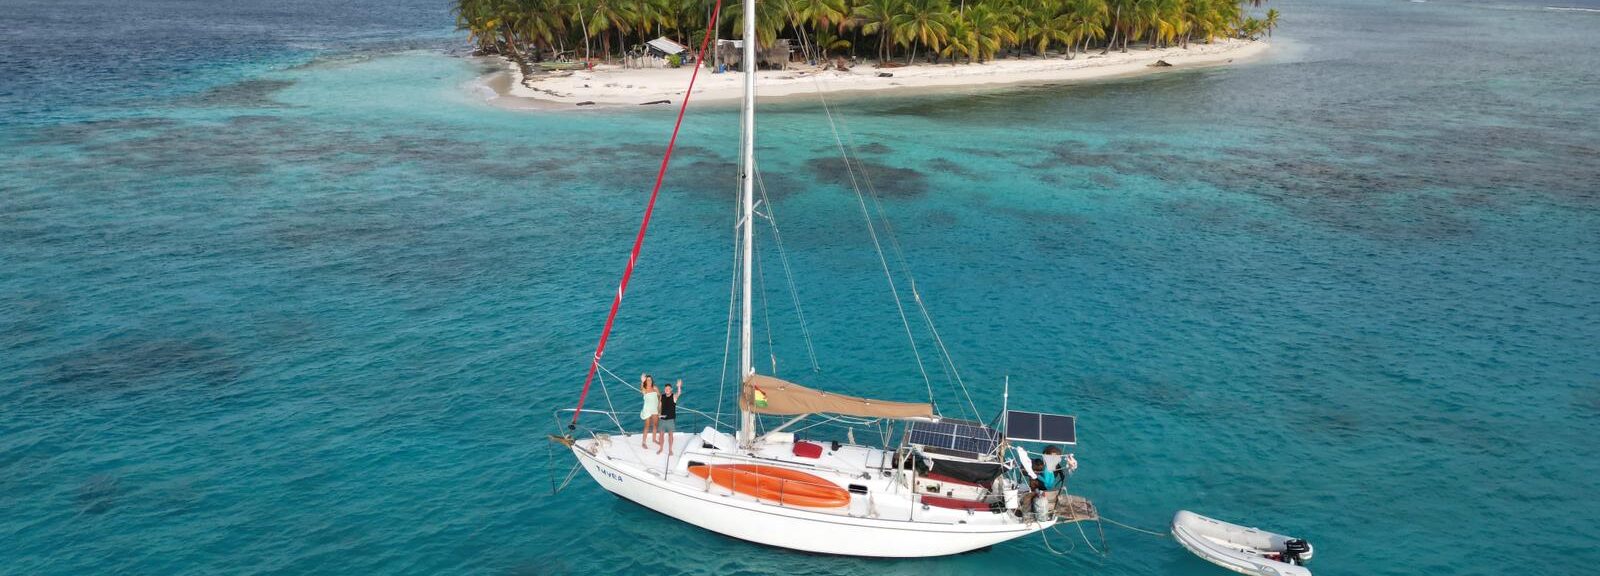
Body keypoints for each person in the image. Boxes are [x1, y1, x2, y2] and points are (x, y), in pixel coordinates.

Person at [657, 379, 682, 454]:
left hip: (671, 419)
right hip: (662, 419)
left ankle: (670, 449)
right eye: (666, 388)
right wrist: (659, 414)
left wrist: (679, 386)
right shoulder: (662, 396)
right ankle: (661, 448)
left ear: (671, 389)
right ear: (664, 389)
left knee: (670, 435)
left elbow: (679, 393)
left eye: (668, 388)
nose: (667, 390)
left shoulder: (674, 396)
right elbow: (659, 406)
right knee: (661, 435)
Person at [639, 374, 659, 449]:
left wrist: (659, 406)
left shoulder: (655, 388)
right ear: (645, 381)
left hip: (655, 408)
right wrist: (642, 382)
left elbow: (659, 396)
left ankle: (654, 439)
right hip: (647, 409)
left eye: (650, 379)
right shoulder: (644, 389)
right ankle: (643, 442)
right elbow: (641, 389)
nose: (649, 381)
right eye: (647, 380)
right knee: (647, 426)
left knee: (655, 425)